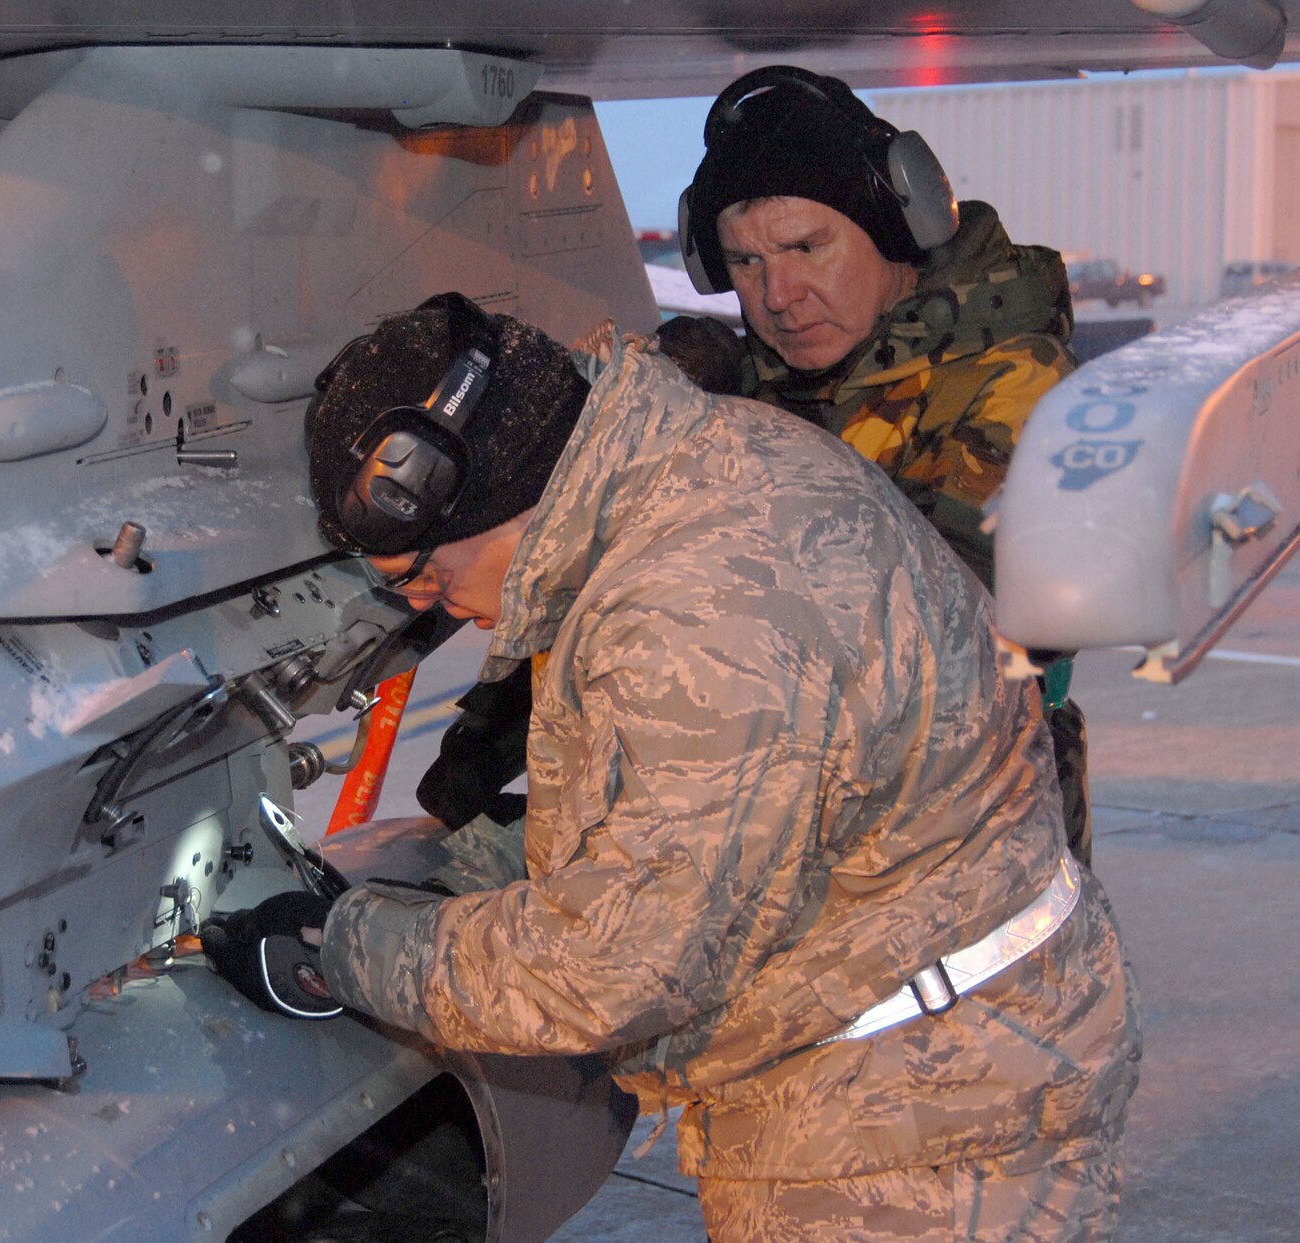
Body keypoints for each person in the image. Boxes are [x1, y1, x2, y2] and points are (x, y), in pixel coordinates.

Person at [204, 293, 1138, 1241]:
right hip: (952, 1055)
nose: (434, 603)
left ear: (490, 492)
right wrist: (474, 872)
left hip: (908, 1134)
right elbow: (739, 799)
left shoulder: (694, 607)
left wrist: (346, 948)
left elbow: (612, 970)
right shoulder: (699, 466)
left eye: (424, 573)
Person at [421, 66, 1093, 867]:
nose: (779, 293)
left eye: (809, 246)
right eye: (744, 262)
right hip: (787, 823)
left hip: (965, 833)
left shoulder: (1015, 385)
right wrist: (497, 727)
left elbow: (934, 638)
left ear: (897, 226)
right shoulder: (759, 383)